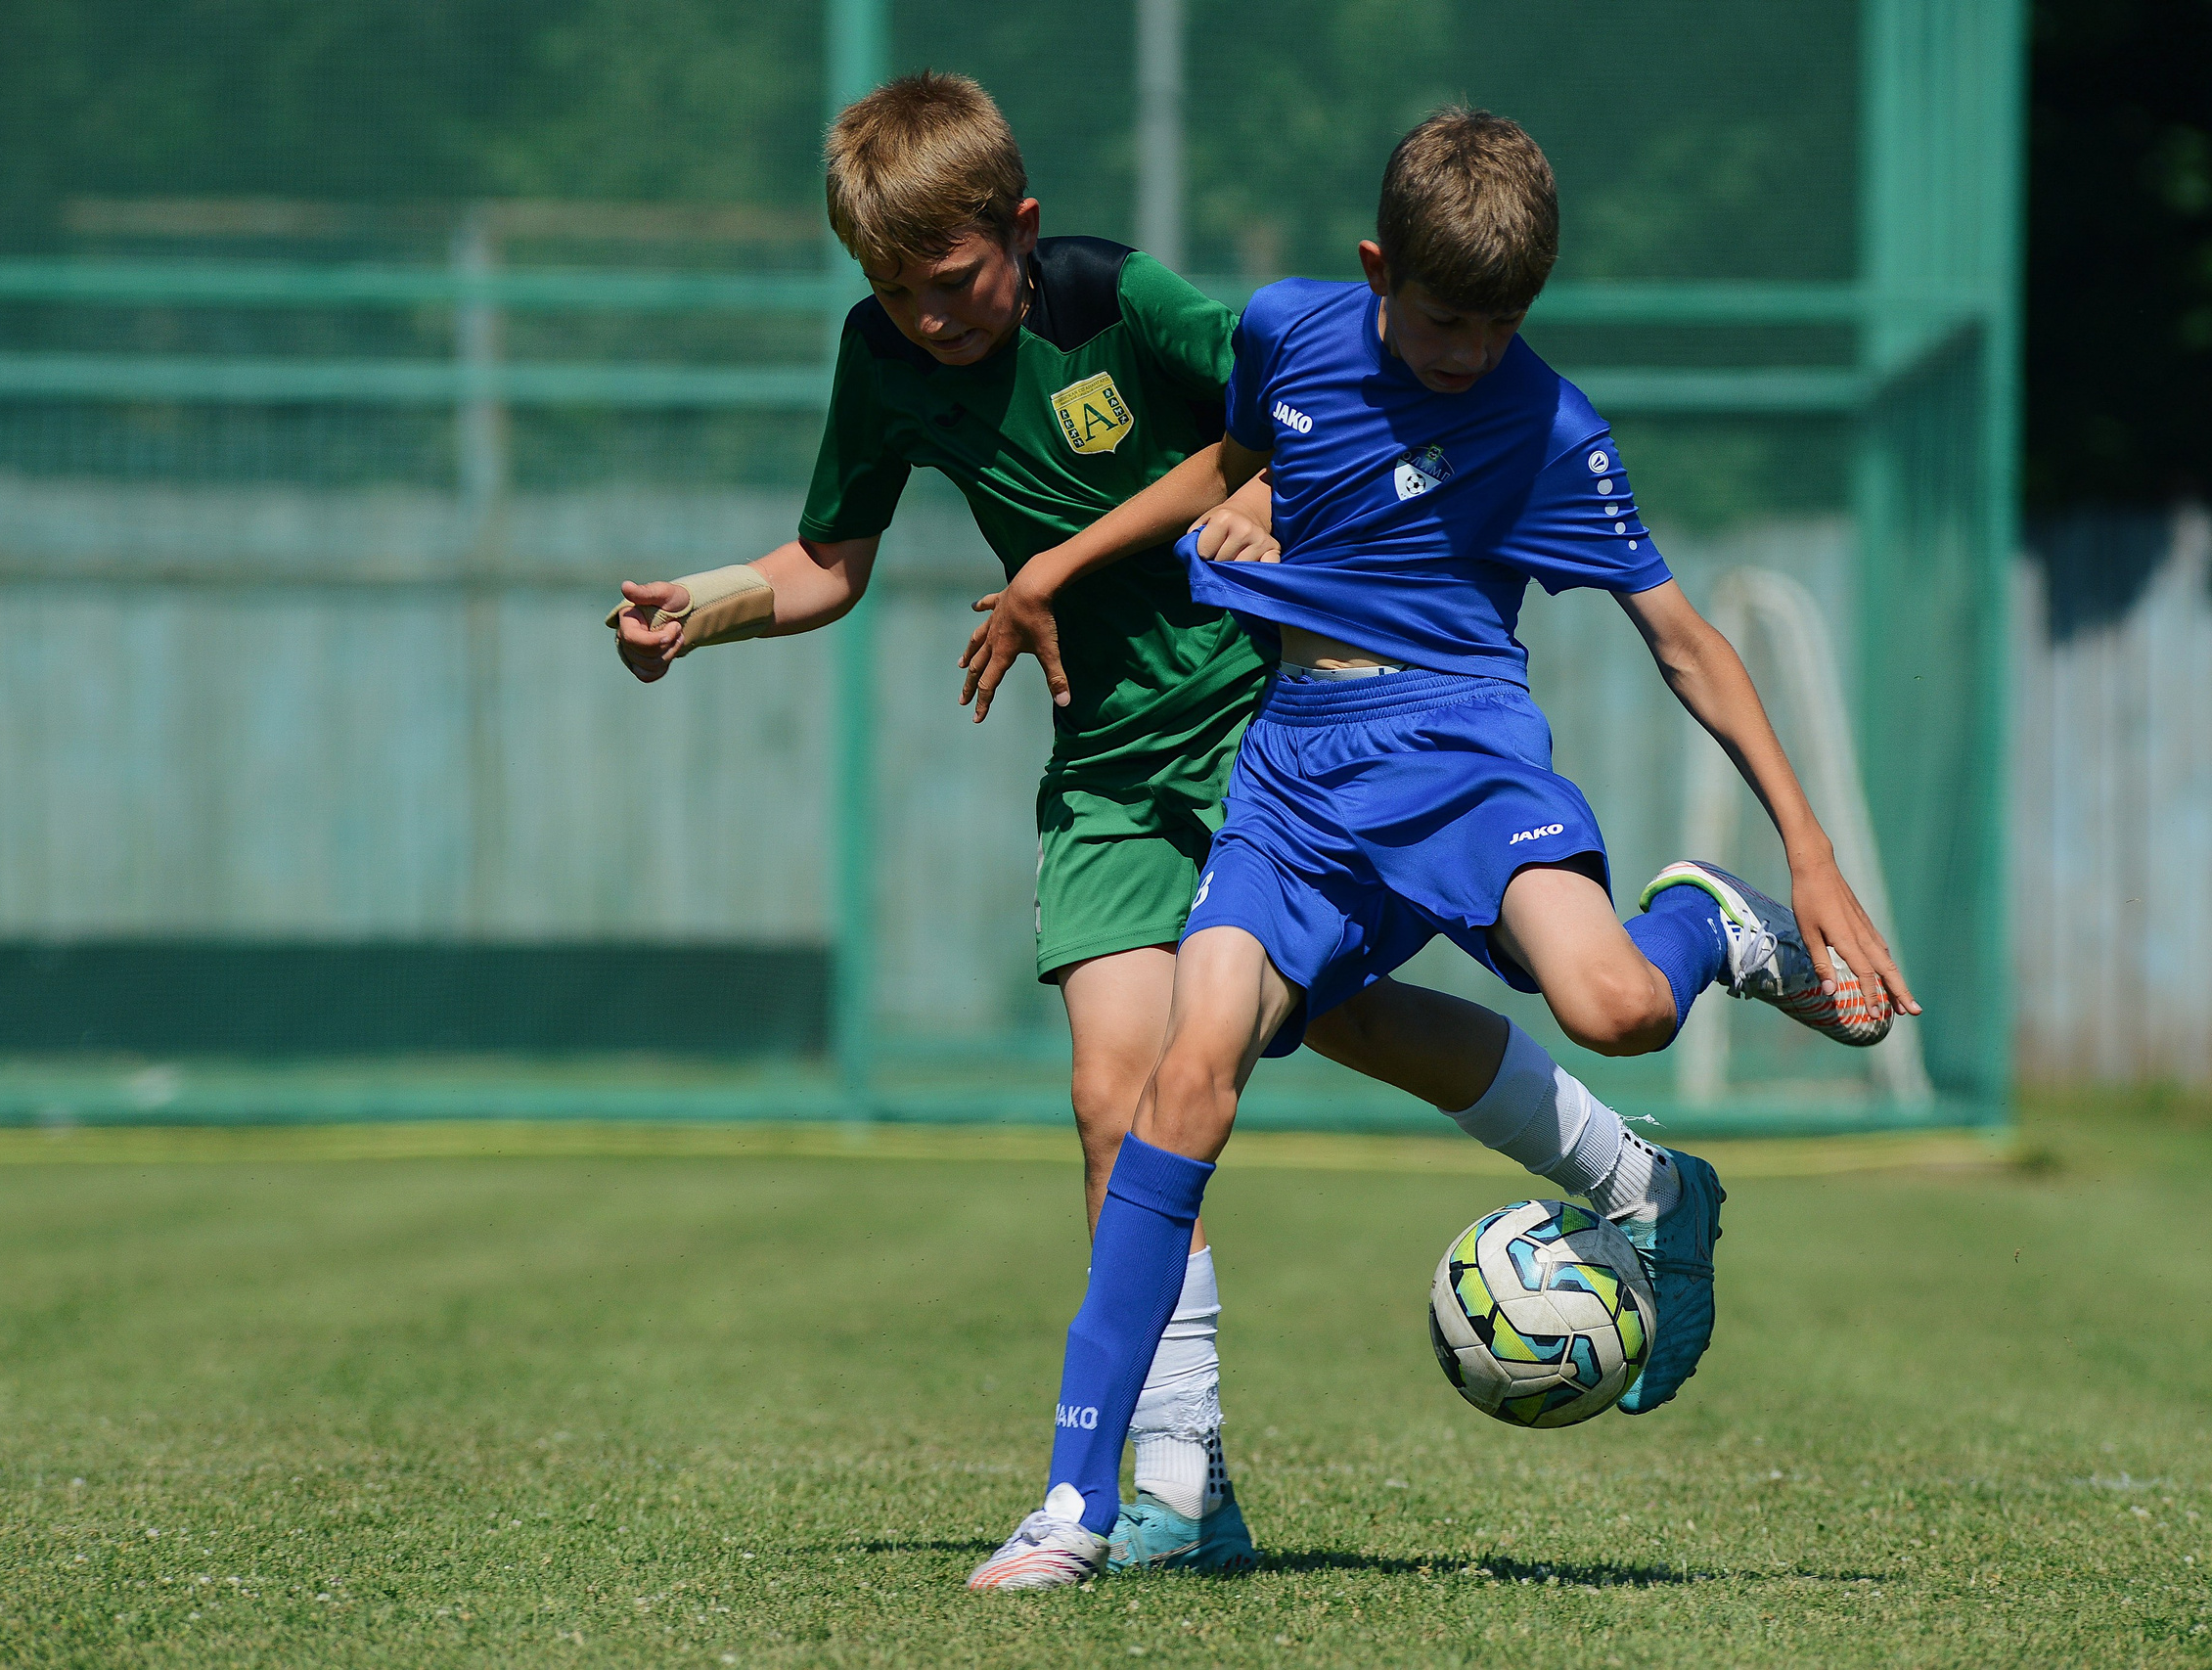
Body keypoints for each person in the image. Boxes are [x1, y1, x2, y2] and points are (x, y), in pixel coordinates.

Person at [606, 73, 1675, 1577]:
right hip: (1107, 762)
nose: (926, 317)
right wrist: (702, 610)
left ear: (1019, 231)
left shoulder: (1120, 297)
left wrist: (1277, 514)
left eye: (953, 280)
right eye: (892, 291)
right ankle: (1183, 1477)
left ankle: (1621, 1169)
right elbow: (832, 561)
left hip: (1264, 728)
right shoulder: (881, 357)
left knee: (1352, 1024)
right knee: (1116, 1094)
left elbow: (1312, 408)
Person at [963, 107, 1918, 1591]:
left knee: (1618, 1009)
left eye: (1502, 321)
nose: (1471, 351)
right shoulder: (1285, 331)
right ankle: (1077, 1506)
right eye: (1443, 319)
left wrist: (1807, 849)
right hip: (1290, 772)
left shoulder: (1553, 430)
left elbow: (1683, 644)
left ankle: (1707, 928)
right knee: (1183, 1077)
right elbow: (1246, 455)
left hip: (1466, 752)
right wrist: (1245, 517)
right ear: (1373, 270)